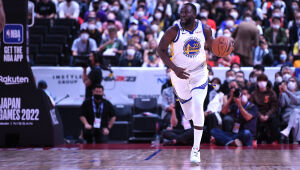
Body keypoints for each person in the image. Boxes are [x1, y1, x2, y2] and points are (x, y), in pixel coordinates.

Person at [157, 3, 215, 163]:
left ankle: (196, 149)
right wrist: (175, 69)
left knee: (198, 105)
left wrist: (219, 47)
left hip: (199, 73)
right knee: (189, 114)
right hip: (179, 74)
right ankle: (192, 122)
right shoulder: (173, 30)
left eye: (186, 12)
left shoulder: (205, 29)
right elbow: (160, 50)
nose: (182, 14)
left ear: (194, 14)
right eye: (181, 12)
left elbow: (211, 46)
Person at [250, 73, 280, 144]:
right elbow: (252, 106)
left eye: (264, 80)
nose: (262, 83)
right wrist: (260, 115)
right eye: (260, 81)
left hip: (269, 113)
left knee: (274, 119)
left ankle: (274, 140)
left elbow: (274, 106)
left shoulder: (271, 93)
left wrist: (267, 115)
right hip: (258, 113)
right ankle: (254, 139)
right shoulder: (254, 93)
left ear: (266, 82)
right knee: (253, 118)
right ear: (257, 82)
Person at [279, 77, 300, 144]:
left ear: (297, 84)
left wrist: (287, 91)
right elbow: (282, 105)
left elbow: (297, 101)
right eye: (289, 81)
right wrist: (281, 93)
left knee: (296, 113)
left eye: (293, 81)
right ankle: (296, 140)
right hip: (287, 115)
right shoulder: (284, 94)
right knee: (297, 116)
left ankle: (288, 129)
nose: (291, 83)